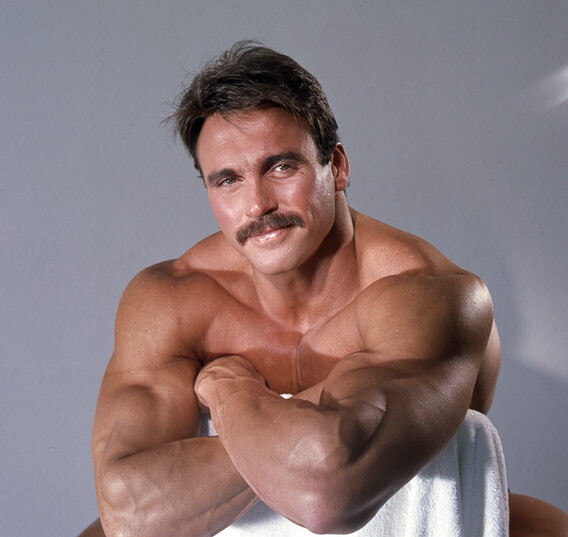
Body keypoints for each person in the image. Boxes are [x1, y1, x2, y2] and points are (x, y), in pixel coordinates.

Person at [81, 42, 567, 537]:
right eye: (227, 180)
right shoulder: (172, 299)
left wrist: (228, 390)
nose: (257, 205)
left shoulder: (423, 294)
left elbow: (326, 492)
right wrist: (298, 436)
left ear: (336, 166)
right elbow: (129, 514)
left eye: (280, 167)